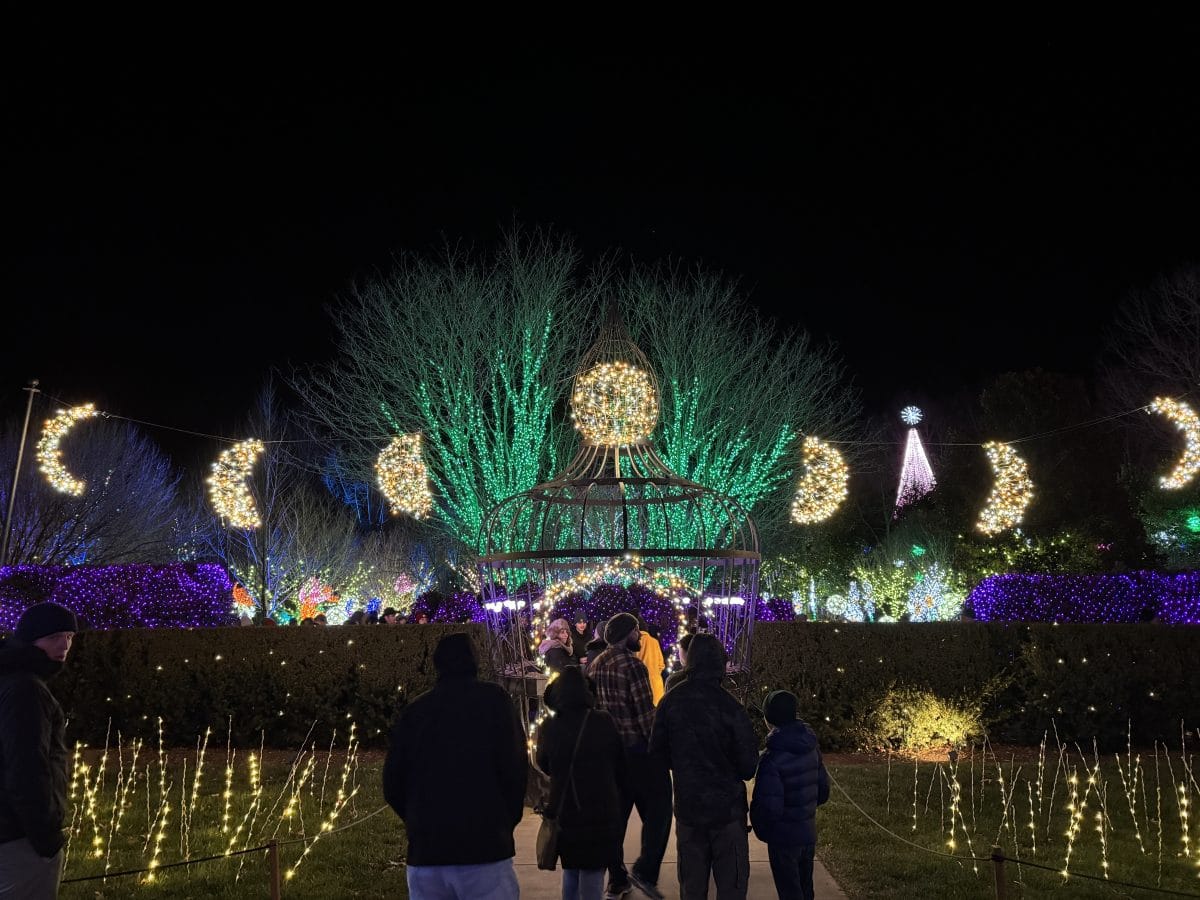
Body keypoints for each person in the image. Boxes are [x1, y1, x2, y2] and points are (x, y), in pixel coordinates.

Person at [383, 632, 527, 899]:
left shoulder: (416, 711)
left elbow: (392, 782)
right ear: (475, 661)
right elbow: (515, 769)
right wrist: (503, 822)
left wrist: (418, 821)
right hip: (485, 848)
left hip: (428, 851)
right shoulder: (494, 701)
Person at [649, 633, 758, 900]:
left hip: (690, 807)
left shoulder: (671, 702)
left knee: (692, 886)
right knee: (731, 886)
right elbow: (747, 767)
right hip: (727, 810)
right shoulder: (731, 707)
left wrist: (684, 764)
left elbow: (656, 754)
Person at [588, 613, 672, 900]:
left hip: (611, 755)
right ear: (629, 634)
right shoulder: (633, 666)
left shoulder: (596, 665)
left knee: (616, 819)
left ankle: (617, 879)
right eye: (637, 632)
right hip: (638, 752)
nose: (639, 637)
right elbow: (645, 714)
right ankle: (645, 870)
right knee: (660, 810)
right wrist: (659, 750)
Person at [0, 602, 78, 899]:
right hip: (19, 836)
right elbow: (27, 768)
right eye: (55, 636)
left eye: (70, 636)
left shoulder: (10, 678)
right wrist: (45, 837)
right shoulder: (25, 689)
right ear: (32, 638)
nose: (65, 645)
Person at [536, 666, 631, 900]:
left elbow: (544, 764)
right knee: (592, 873)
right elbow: (620, 762)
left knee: (571, 870)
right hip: (600, 809)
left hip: (565, 809)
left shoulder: (549, 726)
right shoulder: (602, 721)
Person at [750, 690, 830, 900]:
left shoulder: (772, 758)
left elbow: (768, 807)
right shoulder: (811, 748)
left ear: (769, 719)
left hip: (783, 839)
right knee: (805, 889)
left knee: (790, 892)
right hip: (807, 834)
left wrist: (761, 826)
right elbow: (823, 791)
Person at [634, 618, 666, 705]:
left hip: (641, 689)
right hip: (656, 688)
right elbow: (661, 665)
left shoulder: (633, 643)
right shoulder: (654, 642)